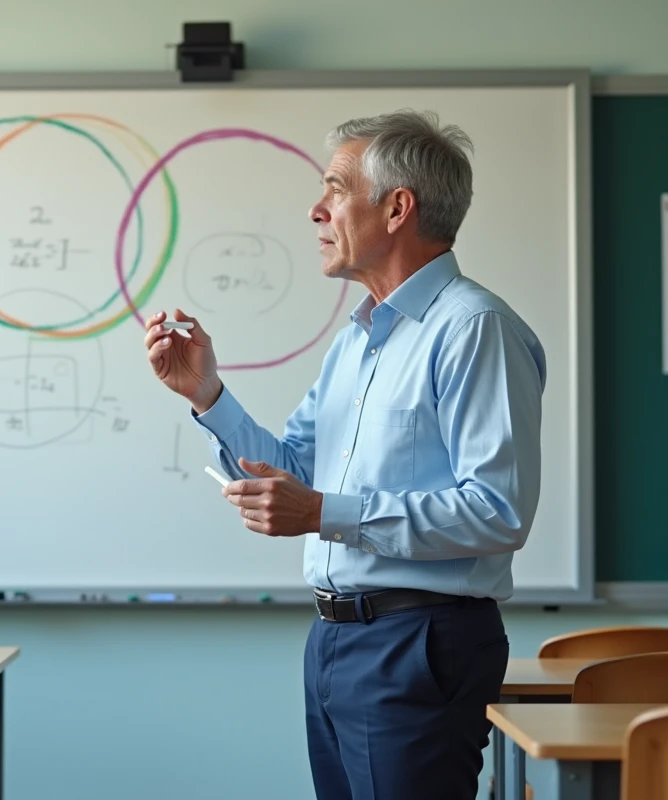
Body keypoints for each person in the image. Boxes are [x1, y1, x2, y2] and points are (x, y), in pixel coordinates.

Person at [143, 109, 546, 799]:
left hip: (418, 641)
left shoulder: (473, 329)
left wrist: (326, 512)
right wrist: (208, 395)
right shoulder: (357, 341)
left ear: (396, 208)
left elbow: (498, 512)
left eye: (334, 188)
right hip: (335, 639)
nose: (316, 209)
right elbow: (296, 474)